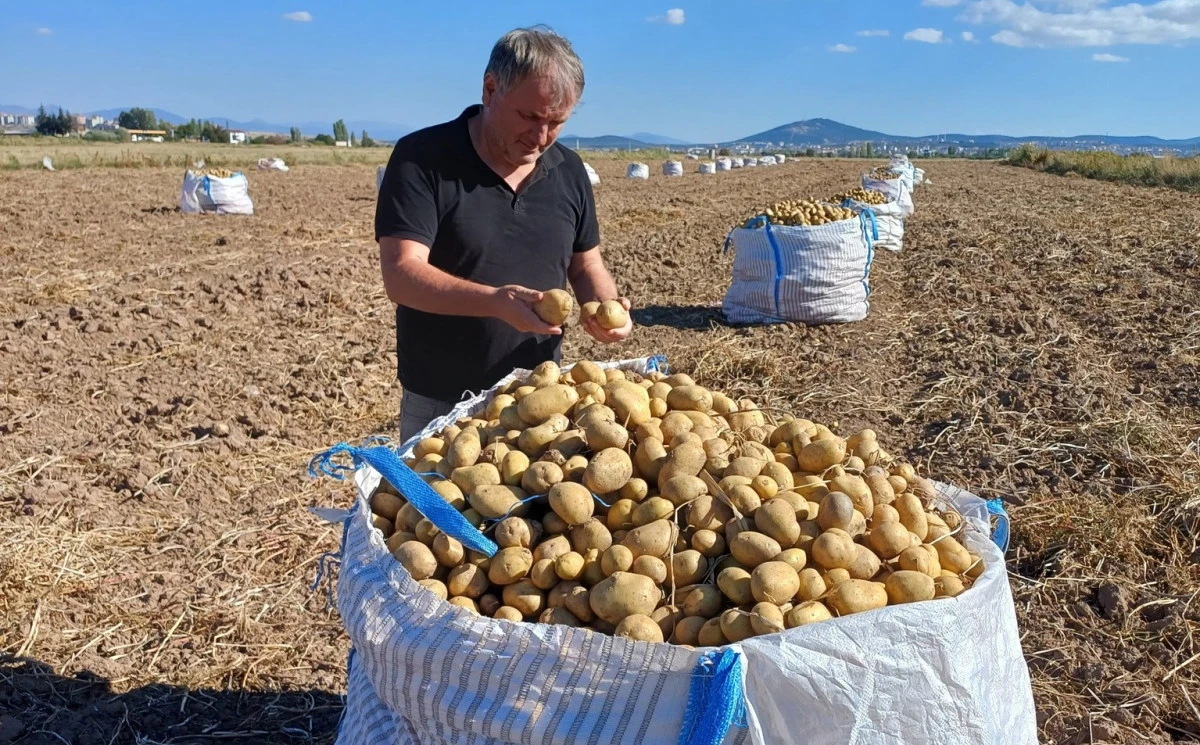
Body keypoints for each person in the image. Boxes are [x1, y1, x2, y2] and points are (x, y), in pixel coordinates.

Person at [375, 26, 633, 442]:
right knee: (428, 507)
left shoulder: (568, 170)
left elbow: (586, 264)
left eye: (556, 122)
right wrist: (495, 301)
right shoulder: (422, 159)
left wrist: (603, 306)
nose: (541, 136)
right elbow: (402, 274)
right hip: (441, 400)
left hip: (537, 398)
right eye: (530, 117)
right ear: (490, 90)